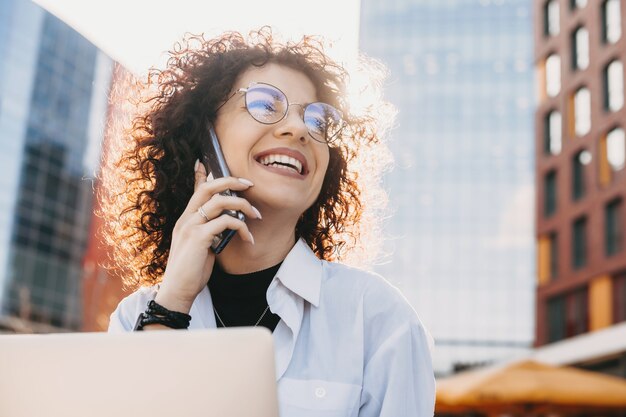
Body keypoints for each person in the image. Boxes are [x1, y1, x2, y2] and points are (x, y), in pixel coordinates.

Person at [103, 28, 435, 416]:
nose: (298, 128)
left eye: (318, 120)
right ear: (204, 140)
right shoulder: (137, 317)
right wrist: (172, 306)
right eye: (264, 103)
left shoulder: (377, 318)